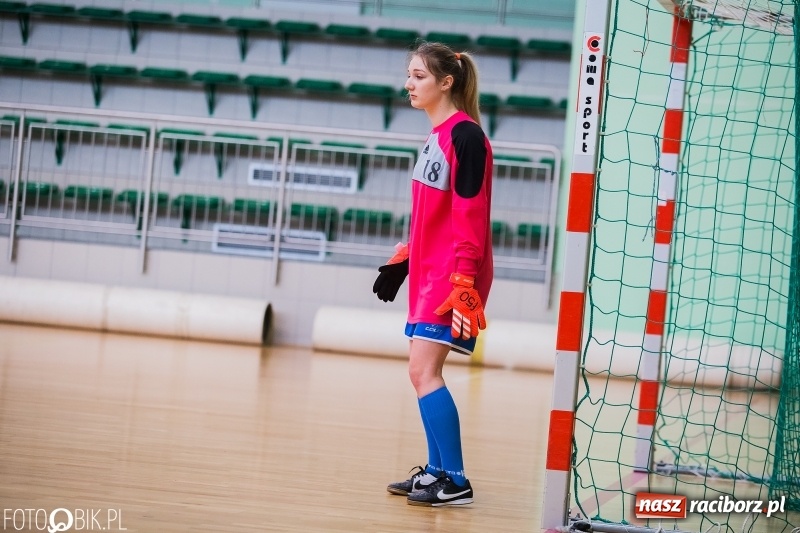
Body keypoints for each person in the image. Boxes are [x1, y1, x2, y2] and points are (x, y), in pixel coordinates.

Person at [372, 41, 493, 507]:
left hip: (453, 275)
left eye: (418, 76)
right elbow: (429, 215)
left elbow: (470, 215)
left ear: (447, 82)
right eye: (409, 75)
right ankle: (437, 472)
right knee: (420, 372)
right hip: (430, 270)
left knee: (424, 371)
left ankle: (456, 480)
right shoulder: (434, 137)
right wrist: (405, 258)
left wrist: (464, 280)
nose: (408, 84)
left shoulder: (466, 137)